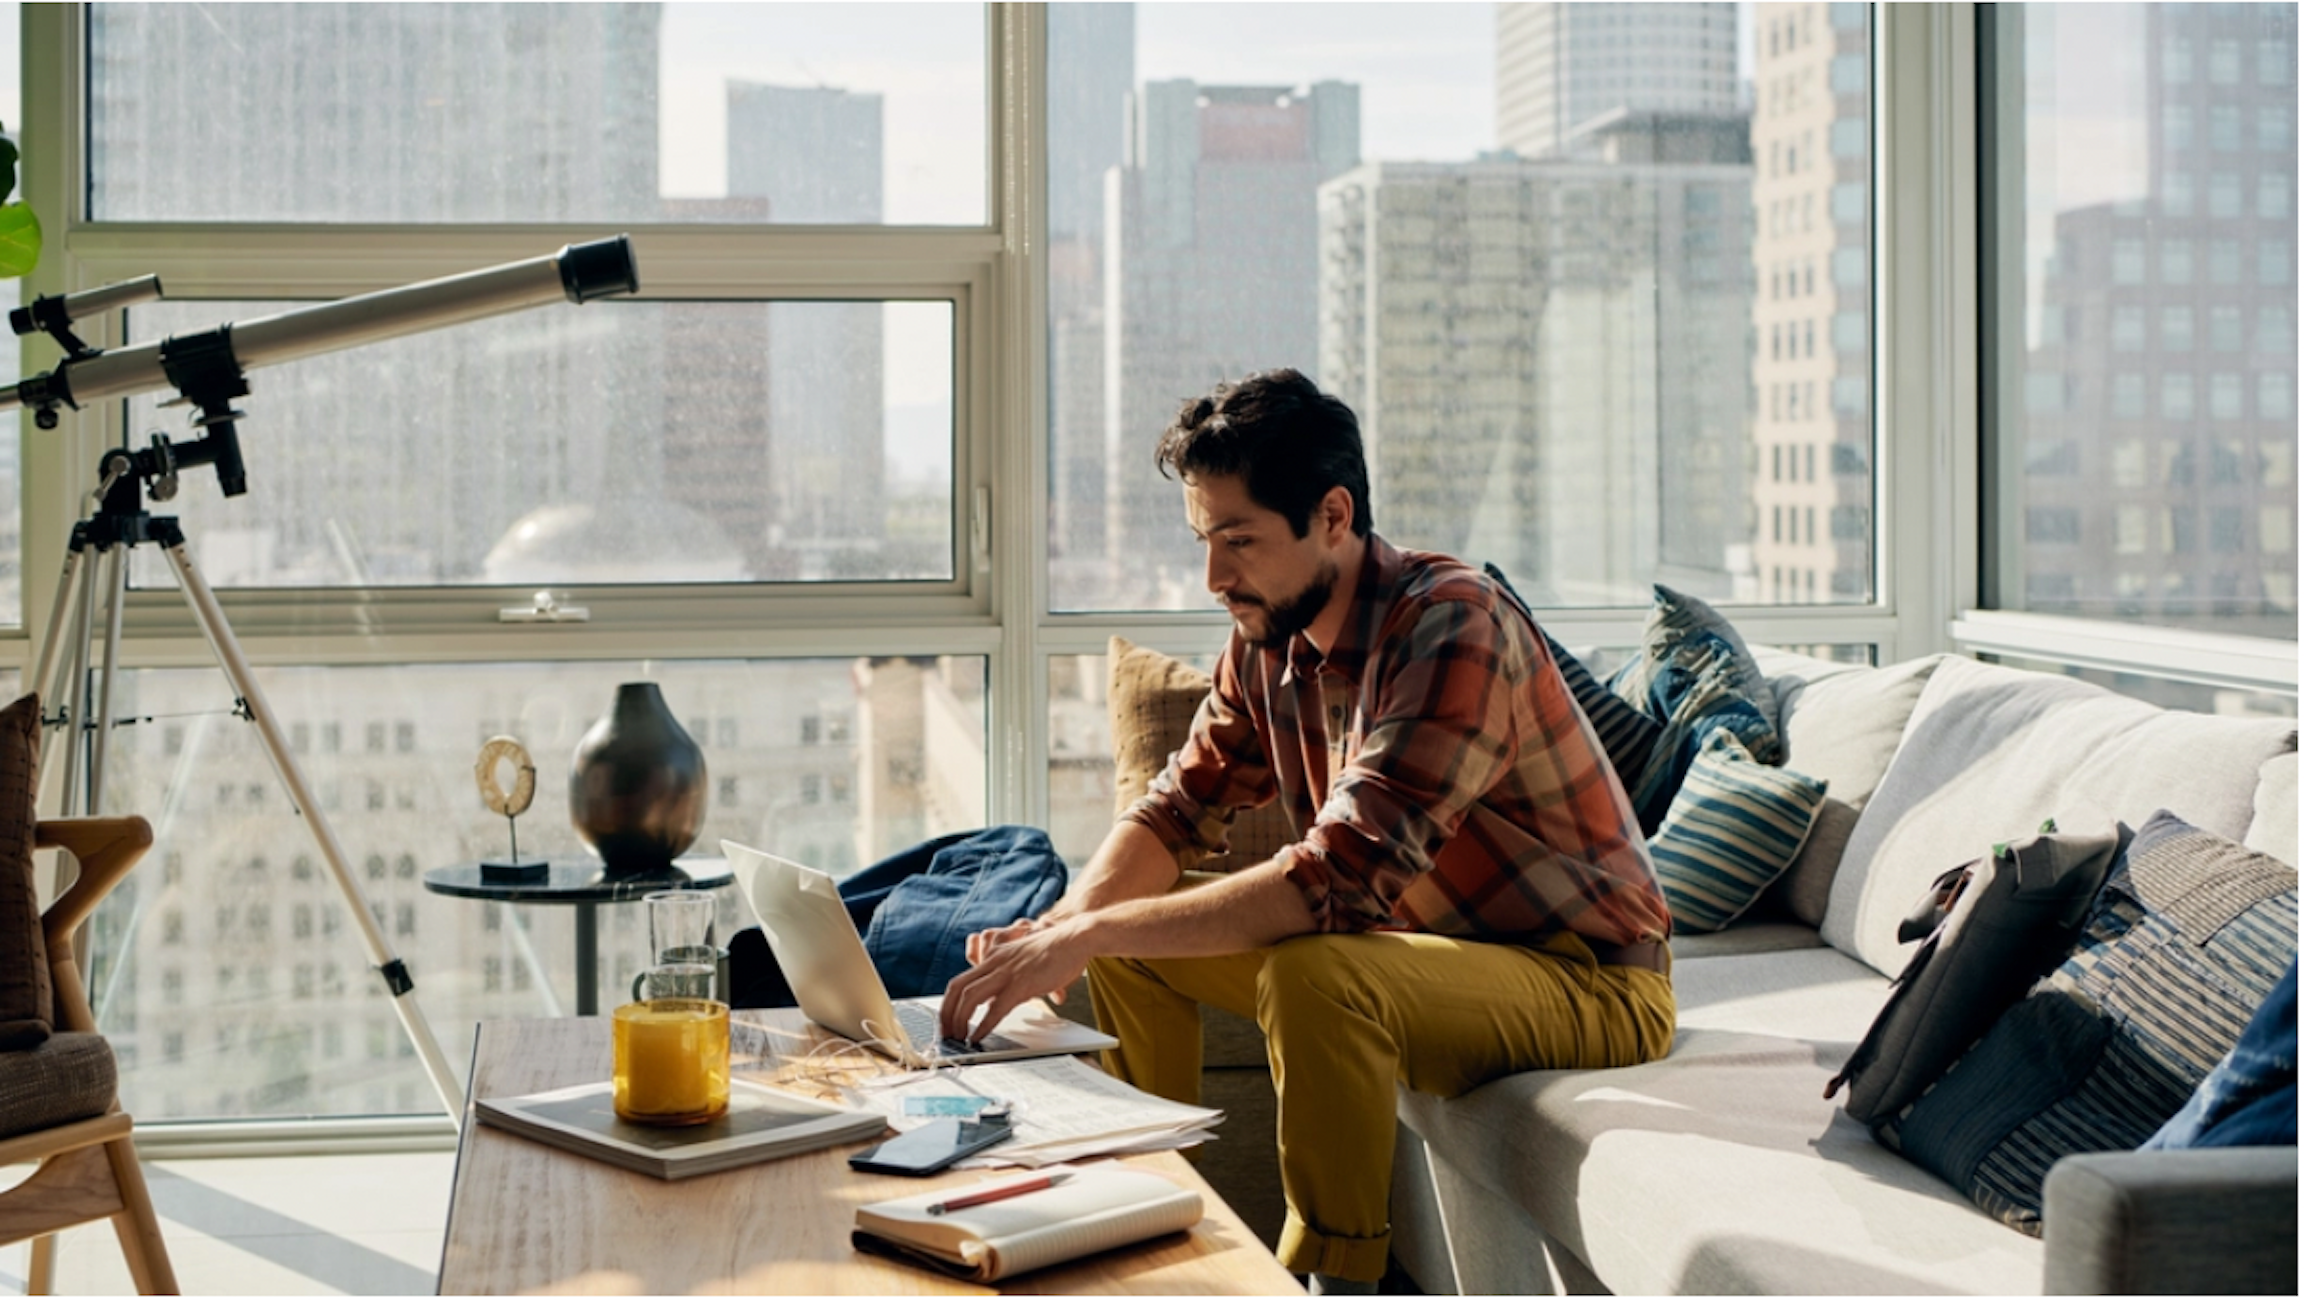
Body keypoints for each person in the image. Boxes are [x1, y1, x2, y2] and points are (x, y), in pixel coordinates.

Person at [939, 368, 1675, 1293]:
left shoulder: (1452, 624)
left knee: (1309, 967)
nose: (1214, 577)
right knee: (1131, 938)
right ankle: (1146, 1231)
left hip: (1590, 981)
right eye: (1206, 540)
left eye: (1238, 540)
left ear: (1333, 515)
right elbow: (1173, 814)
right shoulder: (1266, 638)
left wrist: (1089, 930)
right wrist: (1060, 933)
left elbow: (1335, 885)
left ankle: (1336, 1283)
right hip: (1420, 956)